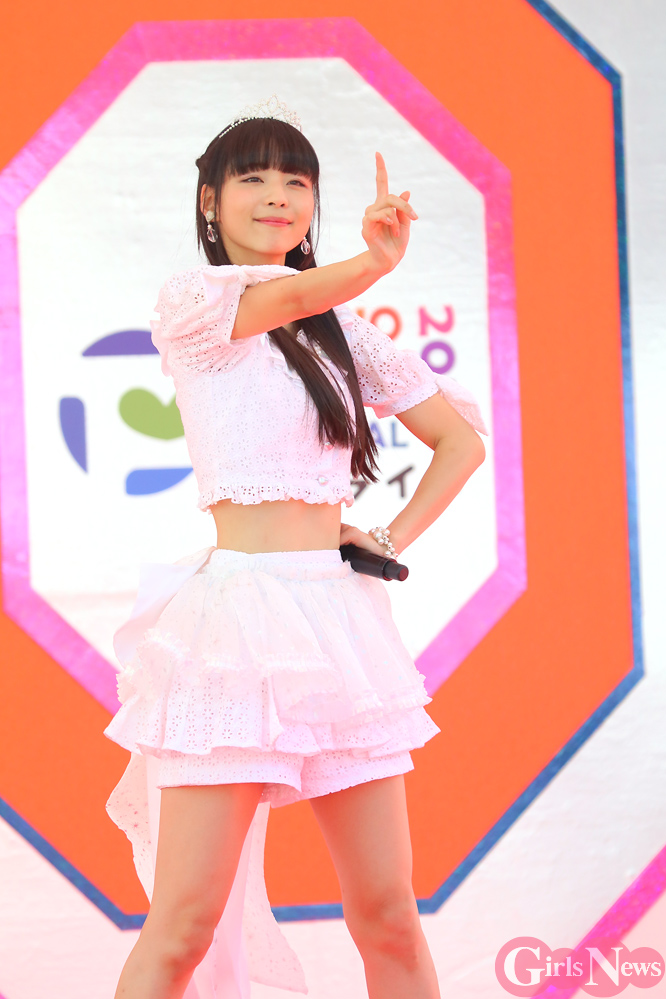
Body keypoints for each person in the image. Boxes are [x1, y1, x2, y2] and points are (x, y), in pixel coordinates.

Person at [104, 96, 487, 999]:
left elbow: (460, 442)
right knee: (184, 923)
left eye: (297, 181)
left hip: (340, 625)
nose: (278, 196)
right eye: (253, 178)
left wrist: (385, 536)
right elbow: (290, 294)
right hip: (231, 628)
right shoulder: (196, 303)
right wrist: (374, 262)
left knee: (387, 913)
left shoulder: (344, 333)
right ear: (210, 201)